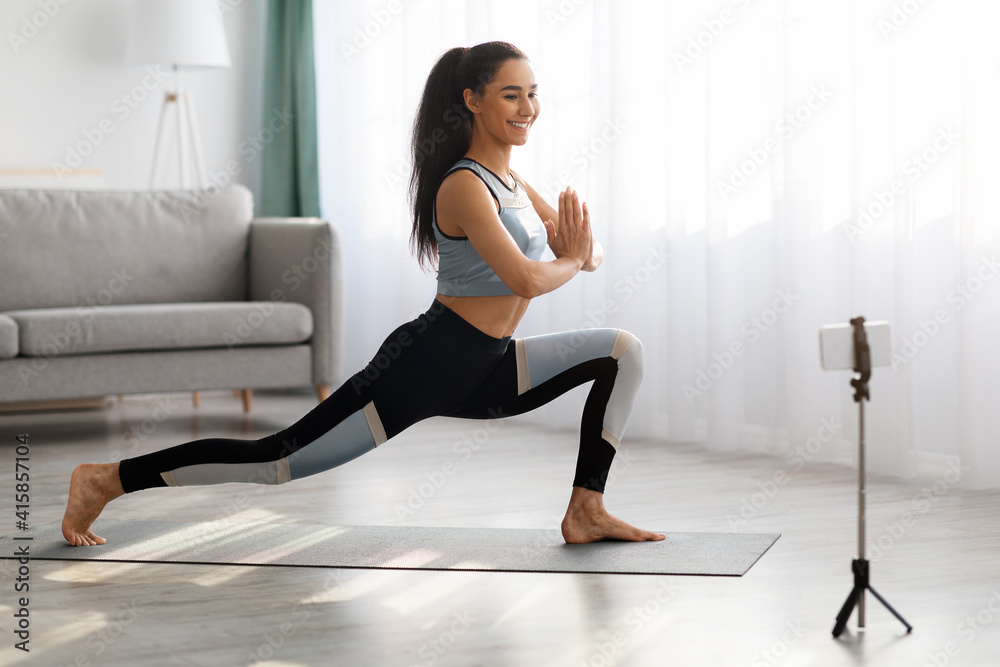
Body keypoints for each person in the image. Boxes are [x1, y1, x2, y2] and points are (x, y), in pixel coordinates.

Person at [61, 41, 664, 547]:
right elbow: (530, 279)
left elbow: (590, 254)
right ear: (473, 101)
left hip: (490, 364)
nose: (528, 107)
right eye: (512, 94)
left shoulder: (512, 181)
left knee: (621, 351)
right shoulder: (463, 186)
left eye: (533, 93)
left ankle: (585, 508)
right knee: (278, 461)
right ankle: (108, 479)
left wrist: (579, 252)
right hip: (429, 363)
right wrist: (570, 256)